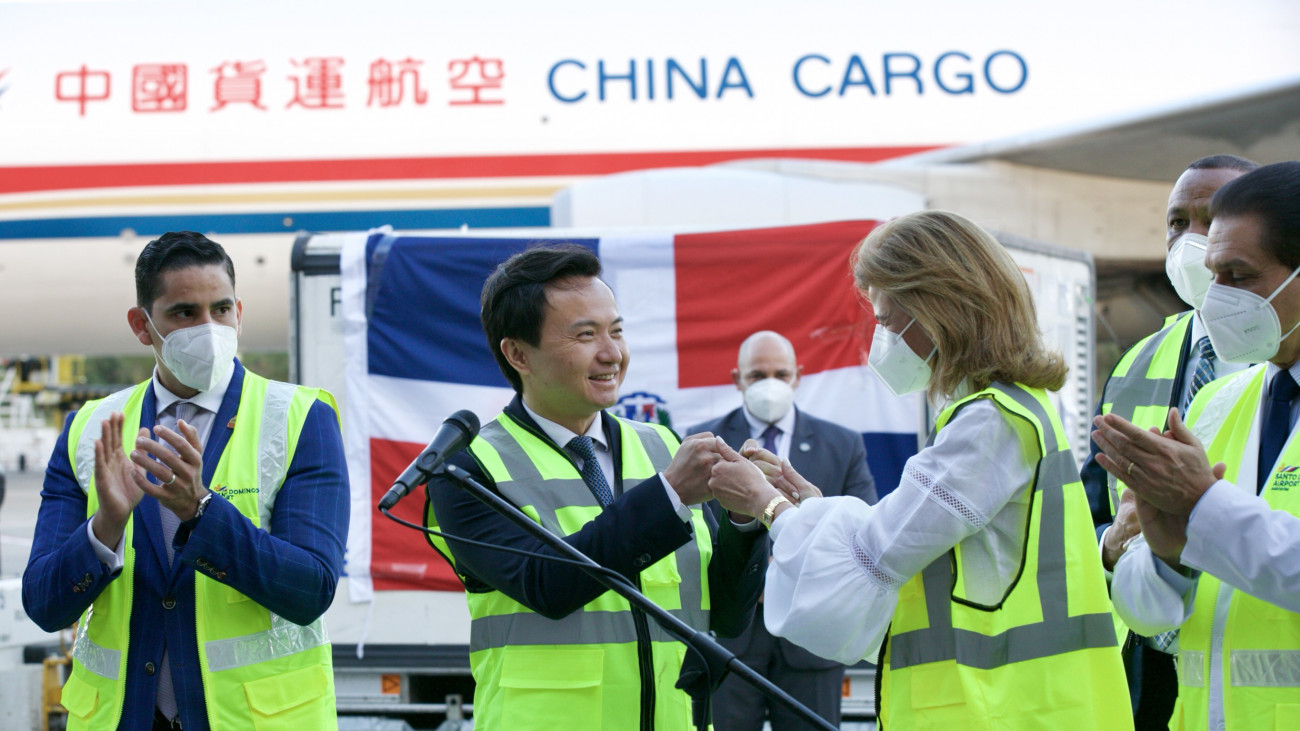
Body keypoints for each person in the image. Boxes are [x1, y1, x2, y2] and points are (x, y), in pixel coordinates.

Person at [707, 210, 1132, 729]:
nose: (880, 339)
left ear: (940, 311)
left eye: (887, 321)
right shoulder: (1006, 410)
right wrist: (811, 507)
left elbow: (872, 562)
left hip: (998, 710)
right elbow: (907, 533)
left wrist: (768, 505)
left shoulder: (989, 422)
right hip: (1021, 705)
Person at [423, 244, 768, 731]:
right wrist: (669, 494)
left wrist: (744, 518)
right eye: (586, 335)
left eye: (617, 331)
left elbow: (728, 617)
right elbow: (547, 585)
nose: (612, 353)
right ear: (518, 353)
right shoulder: (466, 467)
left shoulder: (663, 446)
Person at [22, 231, 349, 731]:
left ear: (239, 311)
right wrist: (106, 526)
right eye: (185, 313)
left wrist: (200, 511)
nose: (209, 328)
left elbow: (310, 590)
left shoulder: (301, 418)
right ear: (142, 325)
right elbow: (45, 605)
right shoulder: (89, 429)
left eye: (221, 309)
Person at [1095, 161, 1300, 730]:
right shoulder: (1219, 403)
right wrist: (1163, 559)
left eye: (1239, 275)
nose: (1214, 299)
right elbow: (1147, 615)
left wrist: (1203, 508)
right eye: (1213, 276)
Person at [687, 329, 876, 731]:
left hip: (812, 640)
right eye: (758, 375)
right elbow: (693, 532)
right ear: (737, 379)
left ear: (798, 376)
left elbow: (863, 534)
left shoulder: (842, 444)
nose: (769, 384)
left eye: (780, 374)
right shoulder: (702, 444)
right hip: (731, 639)